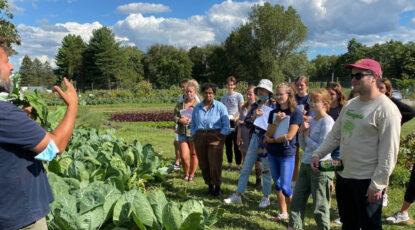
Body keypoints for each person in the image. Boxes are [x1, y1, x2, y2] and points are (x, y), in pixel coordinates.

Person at [311, 59, 401, 230]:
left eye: (358, 75)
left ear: (374, 77)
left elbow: (389, 153)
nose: (353, 80)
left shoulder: (387, 110)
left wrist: (378, 184)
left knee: (370, 226)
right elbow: (335, 135)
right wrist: (318, 153)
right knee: (348, 224)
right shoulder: (351, 105)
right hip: (345, 177)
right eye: (352, 75)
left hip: (367, 182)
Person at [0, 43, 78, 229]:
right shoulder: (4, 113)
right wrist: (73, 105)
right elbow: (54, 148)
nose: (12, 67)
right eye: (6, 61)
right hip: (19, 217)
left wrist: (23, 118)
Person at [288, 89, 335, 230]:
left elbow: (323, 148)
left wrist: (307, 136)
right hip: (306, 164)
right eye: (311, 101)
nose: (311, 103)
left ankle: (324, 227)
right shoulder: (311, 120)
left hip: (321, 167)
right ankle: (294, 227)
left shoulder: (327, 121)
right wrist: (302, 133)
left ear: (325, 104)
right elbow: (303, 146)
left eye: (315, 101)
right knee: (296, 201)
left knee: (320, 206)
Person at [224, 79, 275, 208]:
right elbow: (246, 121)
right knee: (246, 167)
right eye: (259, 90)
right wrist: (254, 117)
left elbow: (276, 123)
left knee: (265, 170)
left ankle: (266, 197)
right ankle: (238, 195)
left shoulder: (274, 106)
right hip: (254, 138)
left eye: (264, 90)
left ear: (269, 92)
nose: (261, 92)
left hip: (266, 141)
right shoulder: (254, 105)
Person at [264, 82, 303, 221]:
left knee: (286, 187)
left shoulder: (296, 112)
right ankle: (283, 213)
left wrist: (272, 140)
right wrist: (276, 122)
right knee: (278, 185)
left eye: (281, 94)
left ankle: (296, 216)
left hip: (286, 154)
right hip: (273, 153)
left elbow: (290, 136)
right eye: (277, 94)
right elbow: (267, 133)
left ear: (289, 95)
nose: (278, 97)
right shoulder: (273, 112)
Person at [377, 78, 415, 210]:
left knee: (385, 164)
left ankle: (384, 194)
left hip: (388, 139)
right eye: (377, 87)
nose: (379, 90)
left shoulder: (392, 103)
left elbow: (411, 112)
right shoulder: (373, 101)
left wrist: (397, 122)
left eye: (382, 88)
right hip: (374, 139)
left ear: (388, 90)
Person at [191, 83, 230, 197]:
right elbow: (193, 124)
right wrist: (194, 135)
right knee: (204, 163)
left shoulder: (220, 107)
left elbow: (226, 125)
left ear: (214, 94)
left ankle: (217, 187)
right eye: (206, 93)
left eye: (211, 93)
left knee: (215, 163)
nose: (208, 95)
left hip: (215, 137)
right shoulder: (197, 108)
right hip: (200, 136)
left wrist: (221, 137)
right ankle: (210, 186)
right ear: (203, 94)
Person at [325, 81, 348, 224]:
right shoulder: (325, 108)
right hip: (326, 148)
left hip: (340, 149)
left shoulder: (344, 108)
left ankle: (341, 208)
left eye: (332, 94)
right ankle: (327, 203)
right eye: (327, 93)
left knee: (340, 179)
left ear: (338, 94)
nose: (329, 96)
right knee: (328, 177)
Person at [237, 85, 262, 190]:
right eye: (247, 94)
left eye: (250, 94)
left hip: (254, 134)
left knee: (257, 159)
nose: (248, 96)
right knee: (245, 157)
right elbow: (239, 122)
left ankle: (258, 180)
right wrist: (238, 136)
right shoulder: (243, 107)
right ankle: (245, 178)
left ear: (255, 95)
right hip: (244, 133)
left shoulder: (259, 107)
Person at [173, 80, 200, 182]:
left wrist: (193, 120)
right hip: (182, 132)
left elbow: (203, 119)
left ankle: (191, 175)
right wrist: (180, 120)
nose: (189, 93)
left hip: (193, 133)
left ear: (195, 92)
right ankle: (186, 172)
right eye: (187, 91)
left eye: (191, 92)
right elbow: (174, 117)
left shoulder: (199, 105)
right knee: (184, 156)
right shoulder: (180, 105)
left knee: (194, 154)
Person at [292, 76, 314, 188]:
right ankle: (294, 182)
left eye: (302, 85)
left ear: (307, 86)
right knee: (294, 157)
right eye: (297, 85)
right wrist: (301, 115)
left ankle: (310, 183)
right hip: (294, 130)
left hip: (307, 131)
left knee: (309, 157)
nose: (299, 87)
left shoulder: (310, 99)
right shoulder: (292, 98)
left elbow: (310, 117)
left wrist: (301, 115)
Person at [221, 76, 244, 171]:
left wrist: (236, 118)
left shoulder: (238, 96)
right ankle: (230, 165)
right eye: (228, 85)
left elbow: (242, 110)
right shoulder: (223, 97)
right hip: (227, 123)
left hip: (236, 123)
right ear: (226, 85)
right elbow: (222, 110)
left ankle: (238, 166)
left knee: (237, 144)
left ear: (234, 85)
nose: (230, 86)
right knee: (228, 145)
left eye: (232, 84)